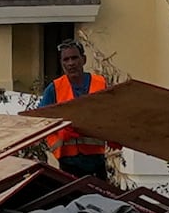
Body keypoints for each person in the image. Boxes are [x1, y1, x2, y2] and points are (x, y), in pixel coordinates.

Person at [41, 36, 116, 184]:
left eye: (74, 58)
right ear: (61, 63)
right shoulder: (54, 89)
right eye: (66, 60)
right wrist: (61, 134)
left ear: (84, 59)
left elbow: (113, 114)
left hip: (96, 161)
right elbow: (41, 122)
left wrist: (116, 136)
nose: (71, 63)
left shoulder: (101, 84)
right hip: (68, 162)